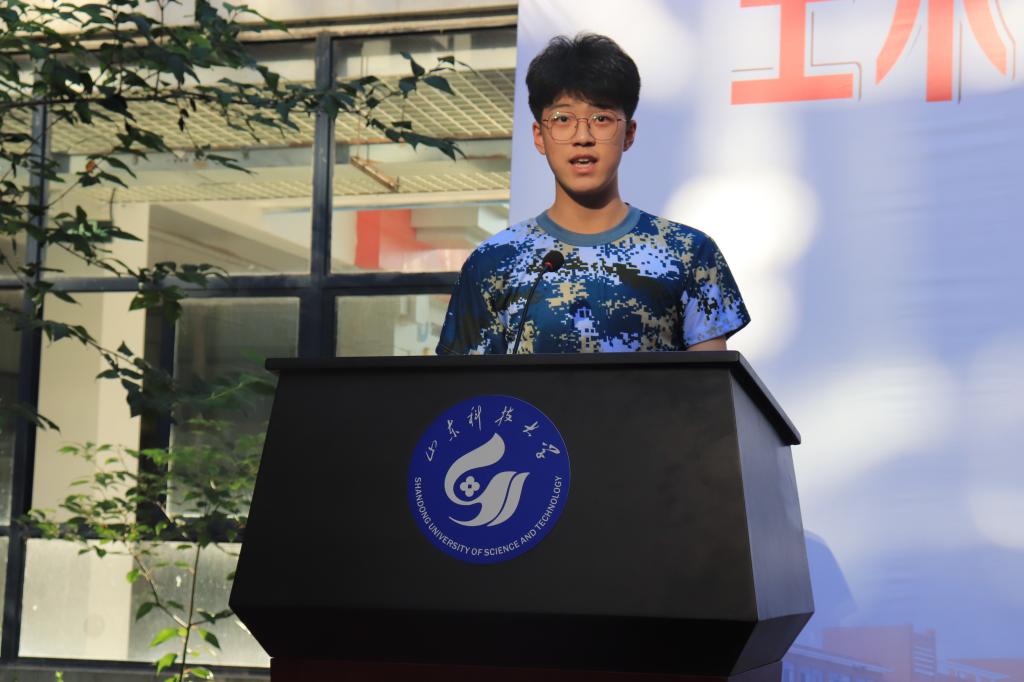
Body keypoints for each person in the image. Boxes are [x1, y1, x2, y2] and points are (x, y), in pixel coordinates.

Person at [436, 33, 749, 355]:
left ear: (629, 133)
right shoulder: (493, 261)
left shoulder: (688, 253)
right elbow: (465, 383)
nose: (582, 136)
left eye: (601, 119)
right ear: (539, 136)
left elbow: (710, 381)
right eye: (562, 119)